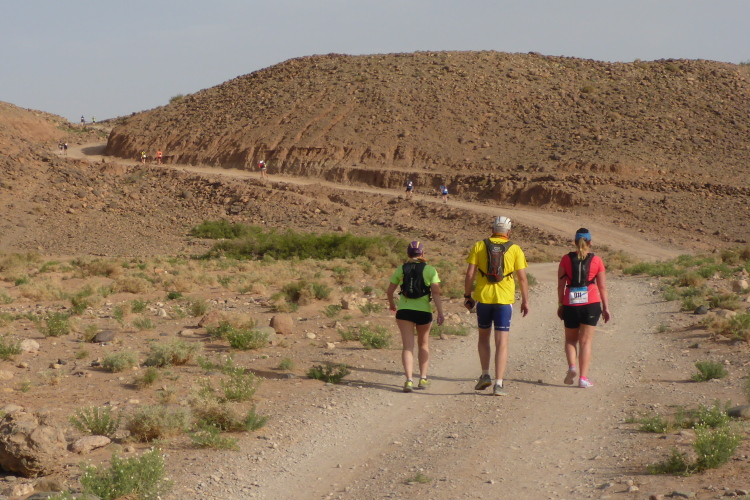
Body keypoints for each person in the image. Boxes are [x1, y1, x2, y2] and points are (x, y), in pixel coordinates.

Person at [464, 216, 529, 396]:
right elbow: (522, 278)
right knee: (502, 342)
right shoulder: (515, 249)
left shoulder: (479, 246)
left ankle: (485, 374)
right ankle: (498, 384)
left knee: (483, 338)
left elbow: (469, 274)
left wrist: (467, 296)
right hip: (504, 301)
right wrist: (525, 301)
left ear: (492, 229)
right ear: (509, 232)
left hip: (483, 299)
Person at [387, 241, 445, 393]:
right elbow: (435, 292)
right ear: (422, 253)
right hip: (424, 312)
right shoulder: (430, 270)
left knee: (408, 346)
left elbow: (389, 291)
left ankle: (408, 380)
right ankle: (423, 378)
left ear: (408, 254)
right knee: (423, 344)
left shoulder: (401, 269)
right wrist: (440, 312)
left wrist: (392, 305)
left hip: (404, 311)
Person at [557, 228, 610, 388]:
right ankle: (583, 378)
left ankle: (572, 367)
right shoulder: (597, 260)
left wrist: (560, 304)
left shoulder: (565, 259)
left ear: (575, 242)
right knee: (585, 342)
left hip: (570, 304)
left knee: (570, 340)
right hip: (591, 305)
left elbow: (560, 285)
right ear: (590, 242)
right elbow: (602, 287)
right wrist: (606, 307)